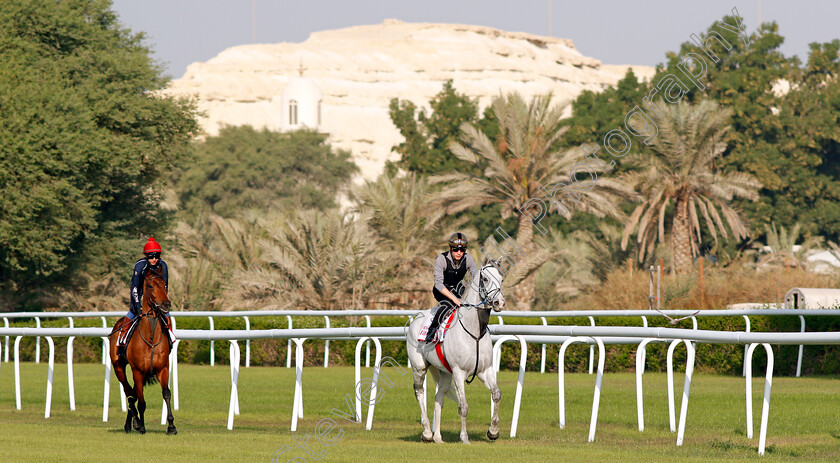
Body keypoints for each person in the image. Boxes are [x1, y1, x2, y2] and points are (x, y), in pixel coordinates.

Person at [116, 237, 175, 357]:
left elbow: (165, 286)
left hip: (156, 289)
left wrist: (162, 302)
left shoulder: (163, 265)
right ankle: (123, 336)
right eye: (151, 256)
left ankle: (169, 334)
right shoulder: (140, 266)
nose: (154, 259)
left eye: (156, 256)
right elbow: (135, 288)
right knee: (133, 310)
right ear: (146, 256)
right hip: (140, 289)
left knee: (166, 312)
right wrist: (138, 306)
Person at [425, 232, 480, 342]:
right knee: (449, 304)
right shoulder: (441, 259)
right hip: (442, 290)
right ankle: (431, 330)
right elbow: (438, 284)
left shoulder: (468, 259)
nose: (459, 253)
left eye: (462, 250)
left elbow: (477, 277)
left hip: (458, 288)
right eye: (455, 250)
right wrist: (455, 299)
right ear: (450, 248)